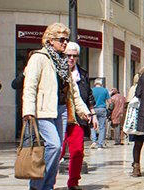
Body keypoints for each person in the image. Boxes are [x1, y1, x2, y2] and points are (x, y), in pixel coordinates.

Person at [21, 23, 92, 190]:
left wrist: (83, 110)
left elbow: (73, 90)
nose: (65, 42)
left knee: (57, 151)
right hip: (43, 110)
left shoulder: (62, 62)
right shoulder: (39, 57)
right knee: (54, 146)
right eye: (62, 39)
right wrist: (28, 111)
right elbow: (30, 86)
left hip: (61, 110)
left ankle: (48, 186)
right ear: (50, 40)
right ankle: (36, 186)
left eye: (66, 39)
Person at [60, 42, 93, 189]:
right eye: (68, 55)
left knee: (78, 151)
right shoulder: (57, 70)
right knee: (57, 151)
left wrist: (90, 112)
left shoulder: (82, 73)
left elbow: (86, 94)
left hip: (76, 118)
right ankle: (47, 182)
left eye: (75, 55)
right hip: (58, 115)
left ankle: (73, 183)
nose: (71, 58)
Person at [127, 65, 144, 177]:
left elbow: (128, 104)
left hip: (137, 120)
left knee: (138, 144)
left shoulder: (133, 87)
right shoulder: (143, 86)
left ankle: (136, 166)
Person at [91, 80, 110, 149]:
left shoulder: (91, 90)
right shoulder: (105, 90)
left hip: (93, 109)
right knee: (102, 127)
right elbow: (109, 101)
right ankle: (100, 143)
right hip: (102, 108)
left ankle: (93, 141)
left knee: (93, 125)